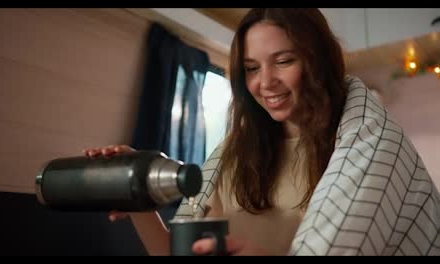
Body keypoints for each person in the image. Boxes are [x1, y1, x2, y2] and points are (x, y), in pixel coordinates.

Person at [84, 8, 440, 255]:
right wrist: (139, 202)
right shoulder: (234, 154)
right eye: (252, 68)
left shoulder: (364, 146)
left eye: (284, 61)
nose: (265, 82)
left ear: (317, 60)